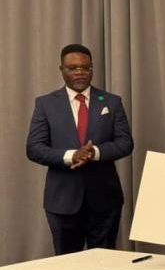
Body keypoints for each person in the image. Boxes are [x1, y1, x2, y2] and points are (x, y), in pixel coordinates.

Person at [26, 44, 134, 255]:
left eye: (85, 68)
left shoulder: (111, 102)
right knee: (67, 264)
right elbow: (34, 148)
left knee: (104, 263)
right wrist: (71, 156)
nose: (80, 73)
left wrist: (94, 153)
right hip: (62, 201)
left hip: (105, 199)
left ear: (92, 69)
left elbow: (125, 143)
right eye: (72, 68)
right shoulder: (46, 104)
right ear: (62, 69)